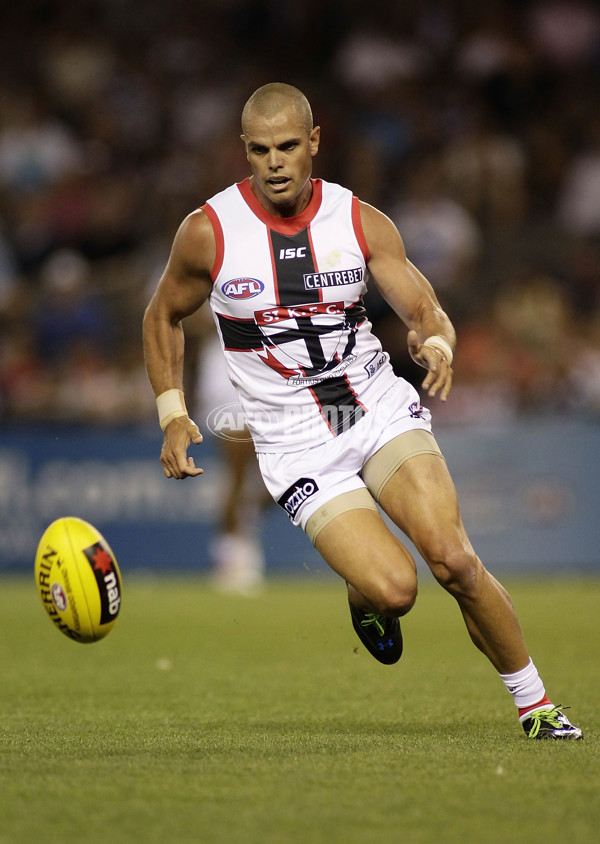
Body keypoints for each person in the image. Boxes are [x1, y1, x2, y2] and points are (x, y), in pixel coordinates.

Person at [143, 82, 582, 740]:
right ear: (245, 151)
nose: (276, 161)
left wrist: (434, 341)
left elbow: (426, 310)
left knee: (454, 561)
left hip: (367, 406)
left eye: (289, 145)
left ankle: (537, 706)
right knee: (395, 588)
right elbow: (163, 315)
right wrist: (173, 411)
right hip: (294, 439)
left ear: (314, 142)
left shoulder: (358, 221)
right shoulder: (208, 233)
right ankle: (366, 596)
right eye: (260, 150)